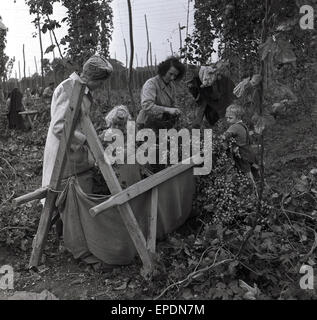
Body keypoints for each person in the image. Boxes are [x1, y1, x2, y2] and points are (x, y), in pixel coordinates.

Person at [42, 55, 113, 193]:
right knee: (62, 194)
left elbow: (79, 122)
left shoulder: (81, 90)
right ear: (92, 77)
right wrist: (86, 139)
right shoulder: (69, 89)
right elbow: (58, 127)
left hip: (73, 150)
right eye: (101, 81)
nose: (101, 85)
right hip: (63, 153)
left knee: (75, 193)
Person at [136, 56, 186, 132]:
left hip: (163, 123)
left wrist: (176, 110)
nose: (172, 78)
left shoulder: (171, 86)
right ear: (164, 70)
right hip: (147, 124)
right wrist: (167, 110)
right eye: (170, 74)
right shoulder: (151, 84)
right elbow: (147, 106)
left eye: (175, 76)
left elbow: (173, 104)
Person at [222, 104, 259, 181]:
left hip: (242, 154)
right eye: (227, 118)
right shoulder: (242, 125)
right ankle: (258, 182)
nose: (227, 120)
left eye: (230, 118)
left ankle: (252, 187)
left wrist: (220, 139)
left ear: (238, 117)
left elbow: (226, 135)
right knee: (251, 168)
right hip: (248, 151)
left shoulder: (234, 127)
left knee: (246, 172)